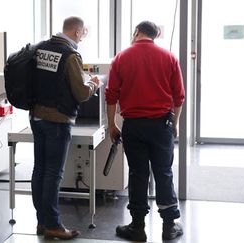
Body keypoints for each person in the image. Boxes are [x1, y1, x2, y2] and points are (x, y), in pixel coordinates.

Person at [105, 20, 185, 241]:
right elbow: (179, 97)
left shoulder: (121, 57)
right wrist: (174, 123)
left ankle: (137, 226)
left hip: (134, 126)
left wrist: (112, 124)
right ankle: (169, 226)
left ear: (137, 32)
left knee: (138, 174)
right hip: (161, 125)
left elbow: (111, 94)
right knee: (164, 172)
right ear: (155, 35)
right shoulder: (169, 57)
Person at [30, 16, 101, 240]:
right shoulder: (70, 55)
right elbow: (80, 93)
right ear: (78, 32)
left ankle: (42, 221)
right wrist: (94, 84)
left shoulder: (40, 48)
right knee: (53, 172)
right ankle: (53, 224)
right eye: (84, 33)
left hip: (36, 117)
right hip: (58, 120)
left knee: (39, 169)